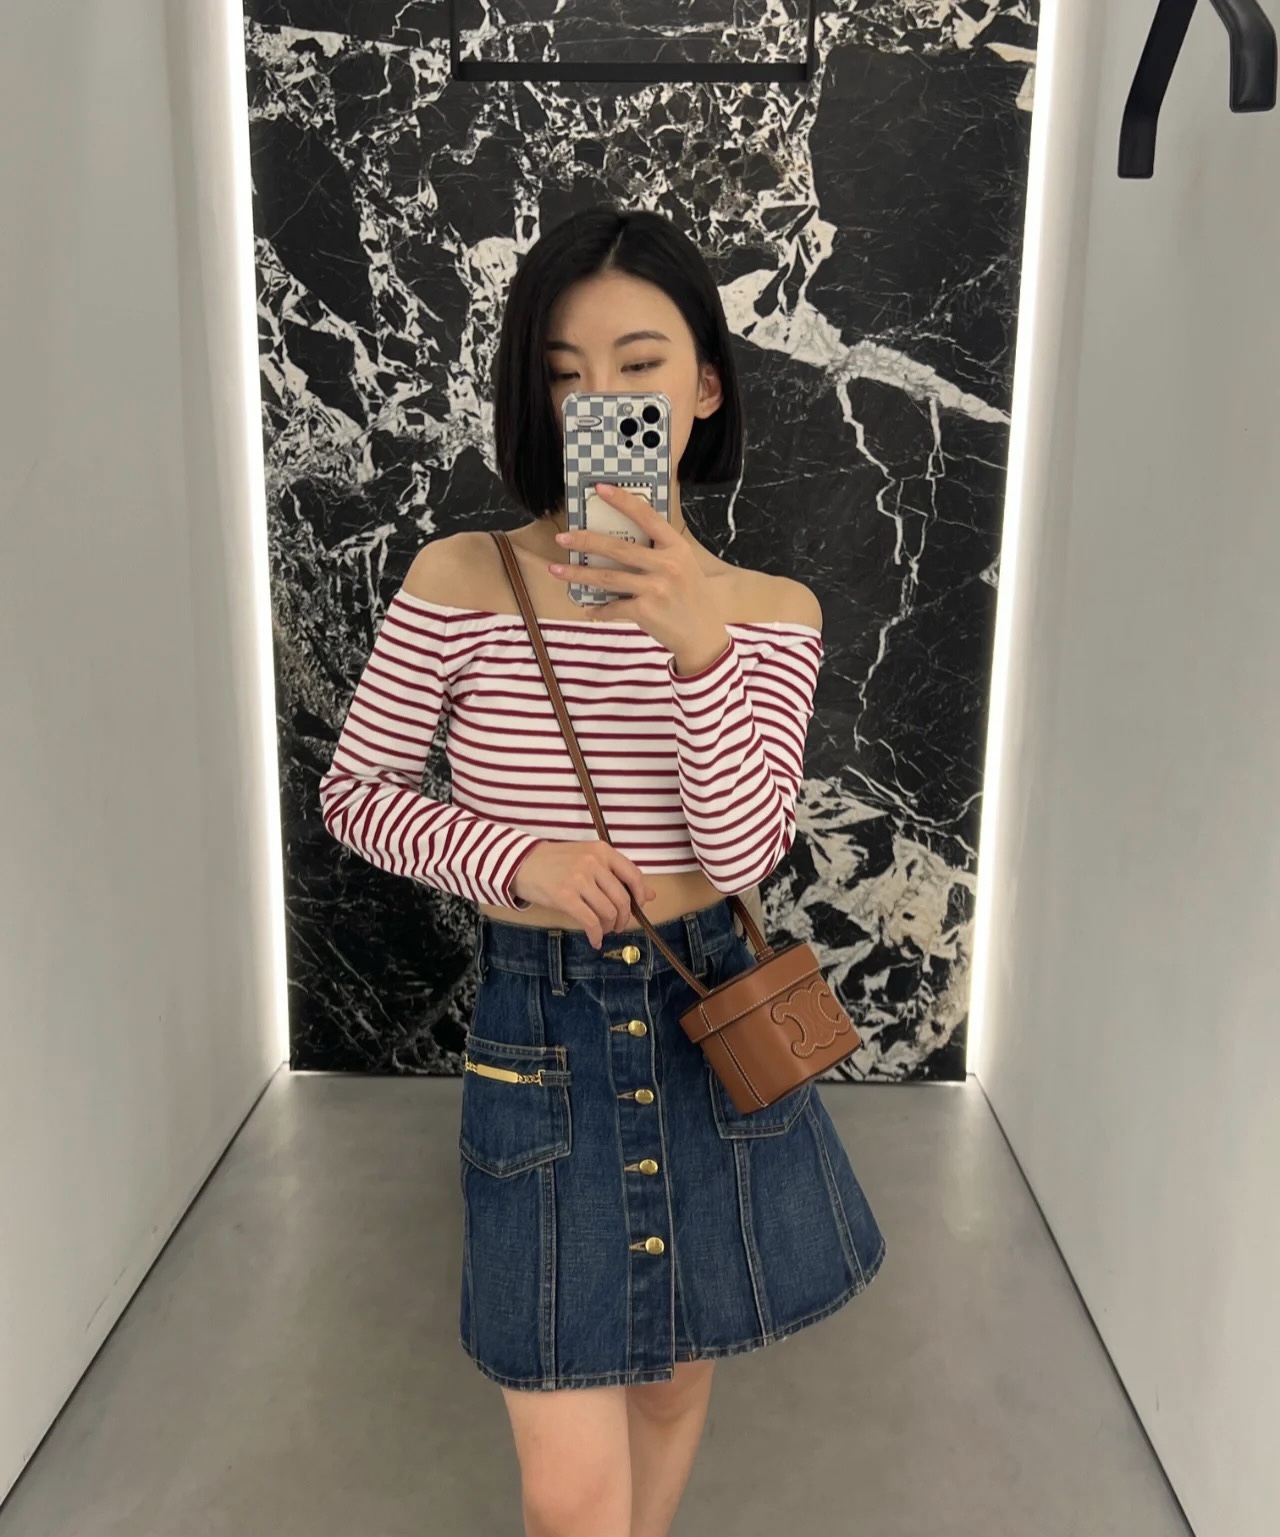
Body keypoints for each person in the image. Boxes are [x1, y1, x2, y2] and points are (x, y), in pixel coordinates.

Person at [318, 204, 885, 1537]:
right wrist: (516, 855)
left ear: (705, 386)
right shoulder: (460, 578)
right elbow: (356, 794)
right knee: (570, 1490)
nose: (601, 399)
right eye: (566, 373)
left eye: (639, 365)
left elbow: (742, 851)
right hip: (545, 1021)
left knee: (674, 1384)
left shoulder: (772, 612)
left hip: (709, 1010)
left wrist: (696, 649)